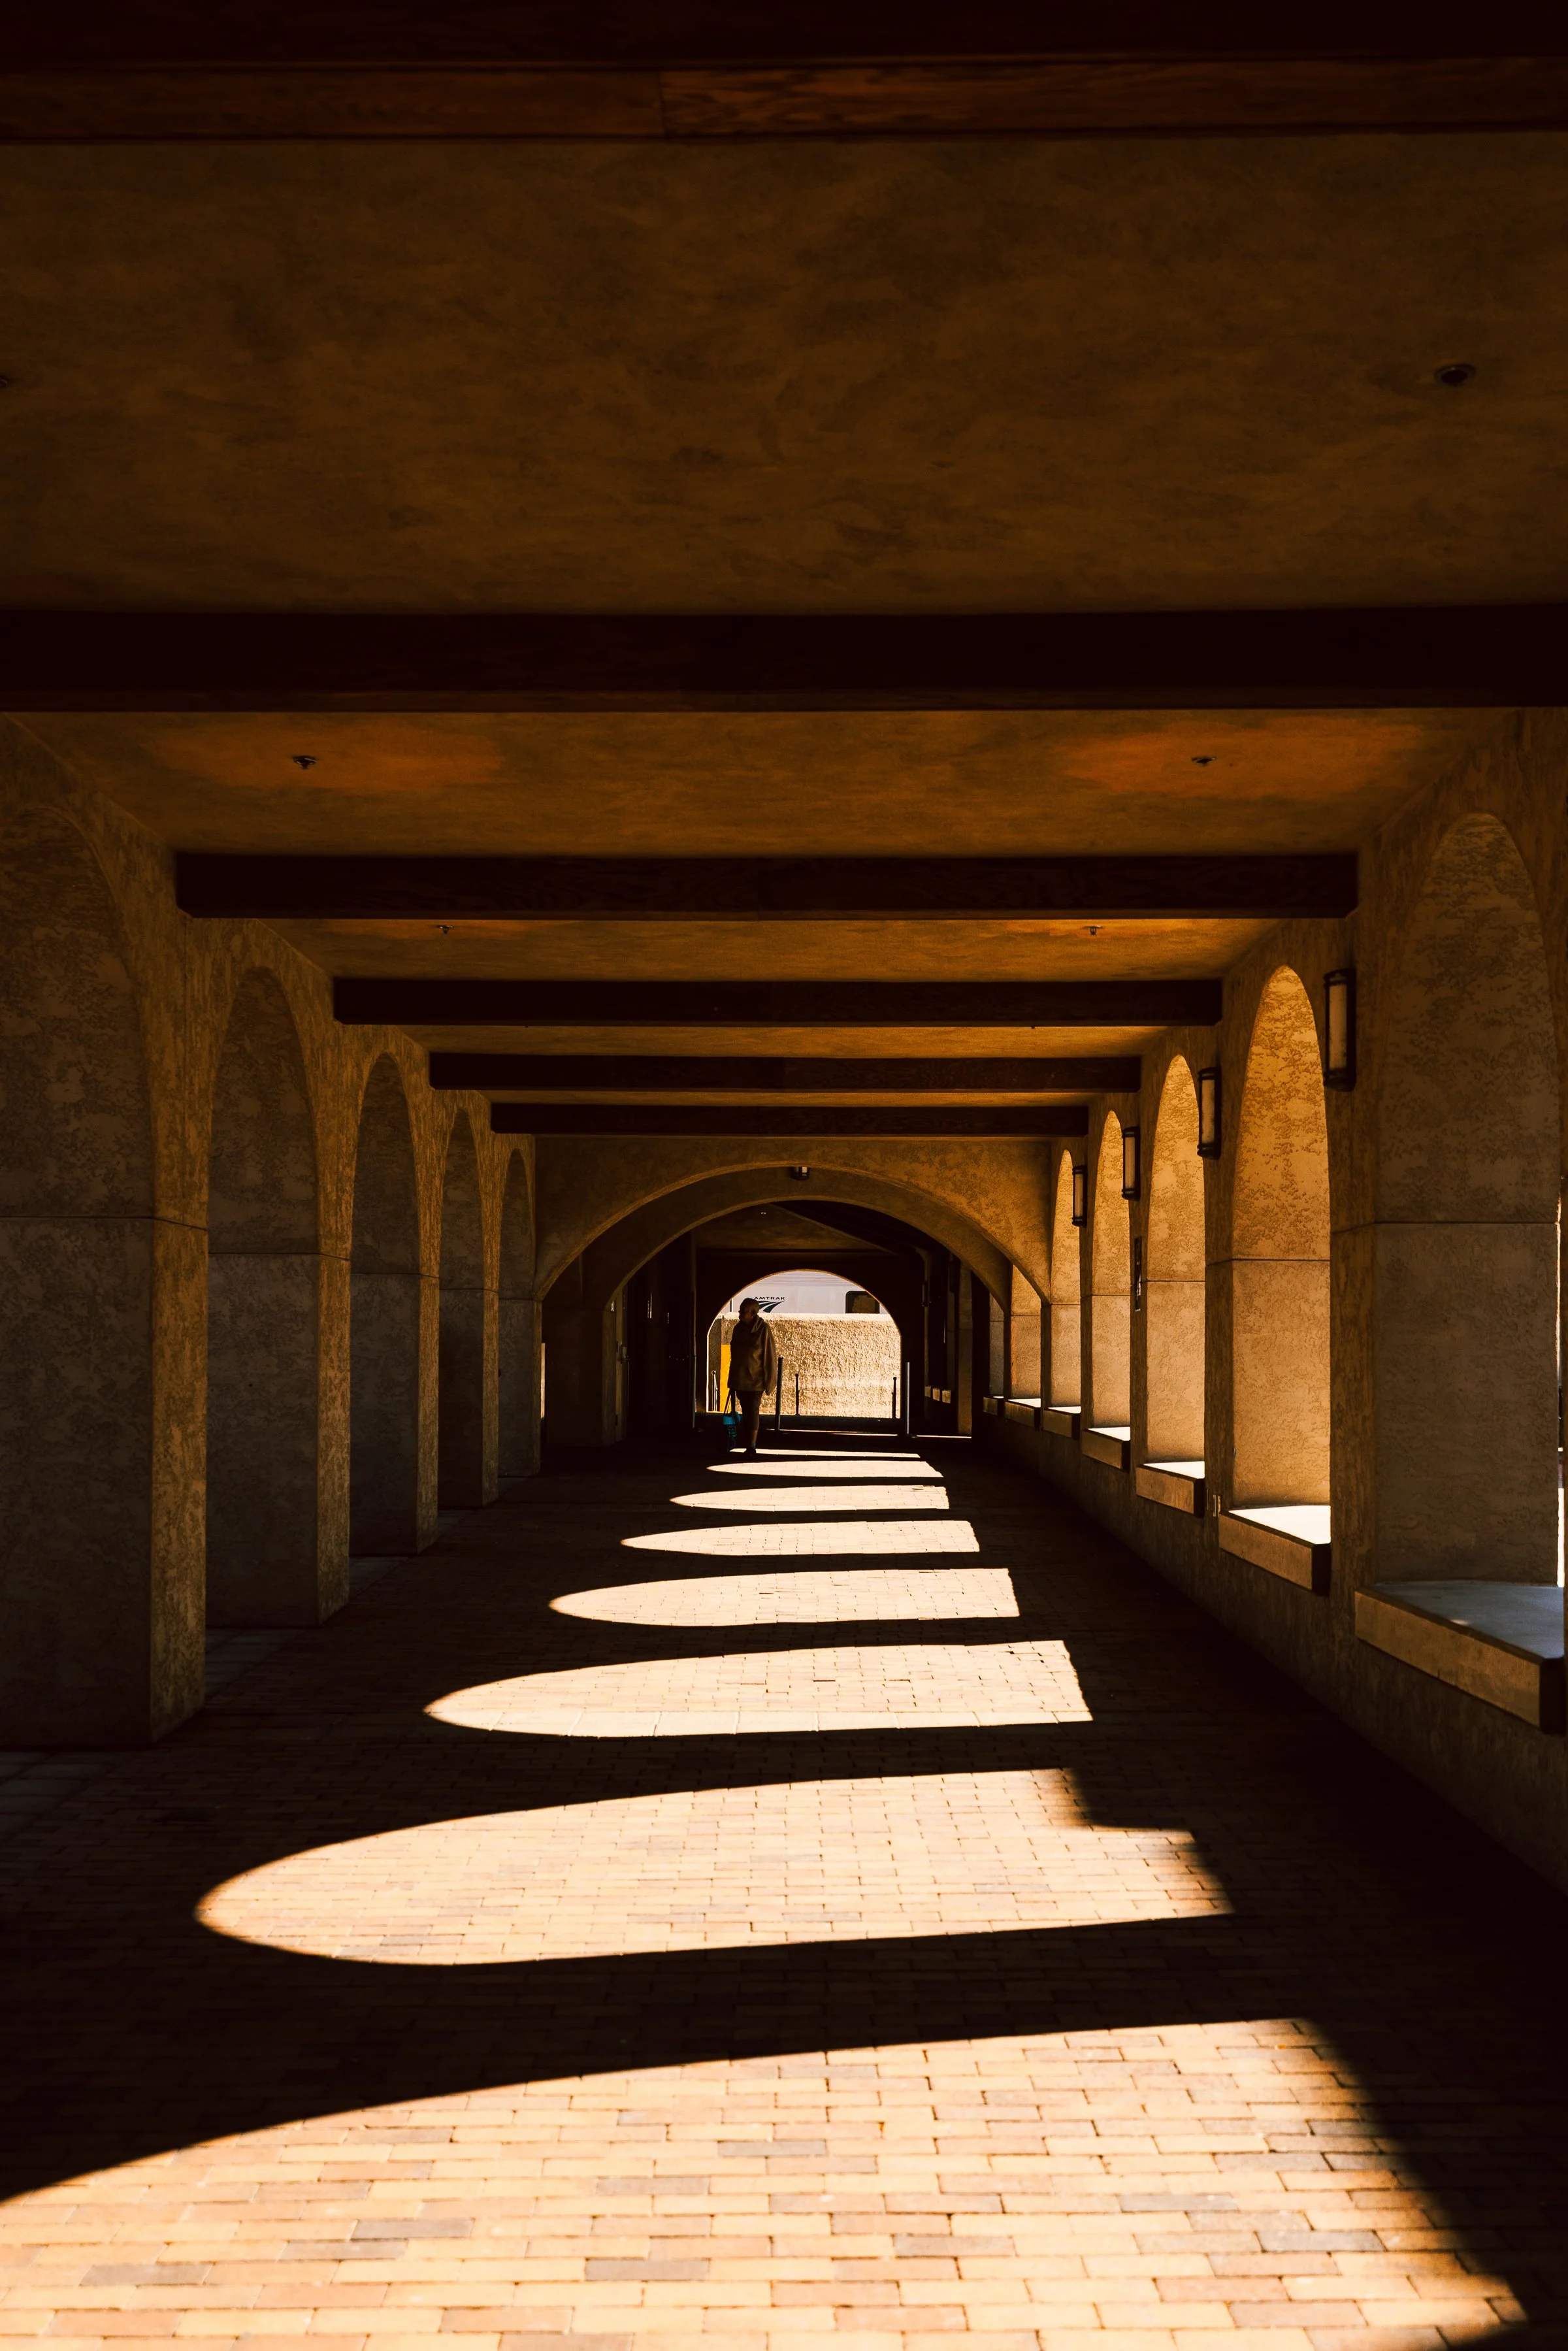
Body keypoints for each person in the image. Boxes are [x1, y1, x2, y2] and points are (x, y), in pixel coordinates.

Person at [727, 1297, 779, 1458]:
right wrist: (732, 1379)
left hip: (756, 1381)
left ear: (753, 1313)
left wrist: (770, 1381)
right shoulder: (737, 1329)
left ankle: (752, 1445)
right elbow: (734, 1357)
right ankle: (748, 1441)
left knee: (753, 1411)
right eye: (741, 1309)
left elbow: (769, 1357)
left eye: (743, 1310)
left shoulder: (764, 1330)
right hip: (740, 1381)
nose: (740, 1312)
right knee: (745, 1411)